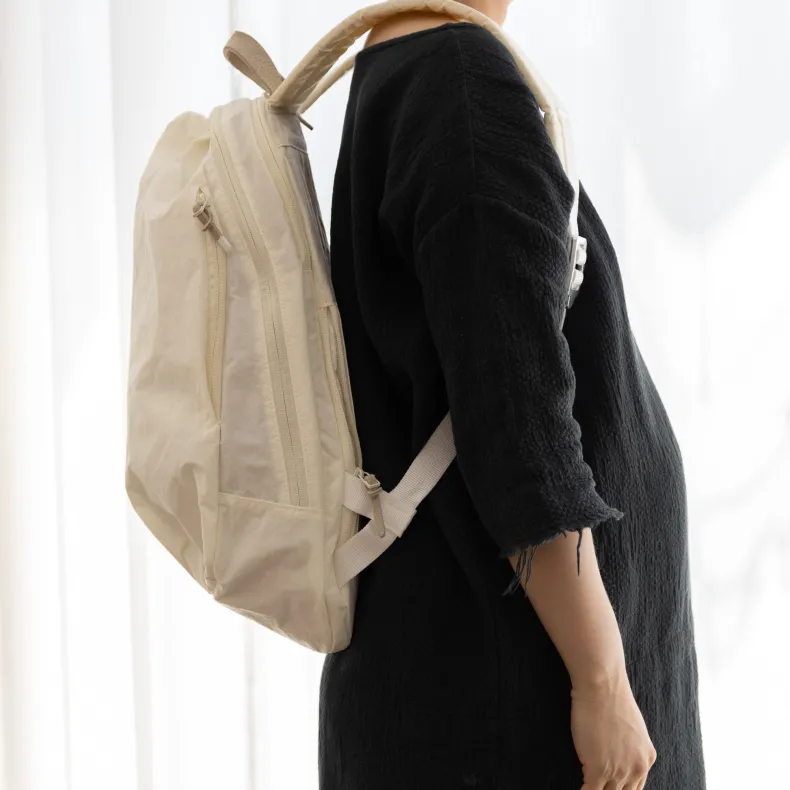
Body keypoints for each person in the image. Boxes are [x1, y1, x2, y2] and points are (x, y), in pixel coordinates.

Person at [318, 3, 707, 789]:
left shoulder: (407, 63)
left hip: (470, 675)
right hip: (519, 701)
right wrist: (601, 678)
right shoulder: (459, 86)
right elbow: (520, 429)